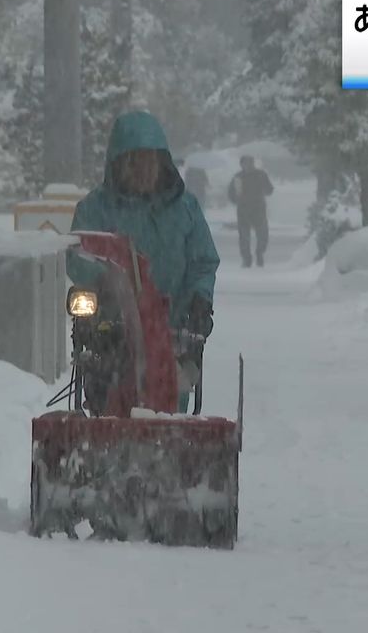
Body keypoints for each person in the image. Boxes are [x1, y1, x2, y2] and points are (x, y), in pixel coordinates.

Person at [67, 110, 220, 413]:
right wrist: (103, 281)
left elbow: (203, 262)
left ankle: (168, 442)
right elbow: (77, 256)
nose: (142, 170)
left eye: (149, 161)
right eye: (133, 162)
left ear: (162, 162)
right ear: (117, 165)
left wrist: (200, 300)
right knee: (107, 392)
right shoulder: (95, 210)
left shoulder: (184, 209)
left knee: (168, 397)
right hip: (110, 330)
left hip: (172, 328)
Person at [227, 155, 274, 267]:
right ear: (241, 164)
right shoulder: (237, 177)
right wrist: (235, 199)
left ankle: (259, 253)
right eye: (246, 163)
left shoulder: (261, 175)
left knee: (262, 234)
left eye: (251, 162)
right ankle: (247, 258)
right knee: (244, 235)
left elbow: (269, 190)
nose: (249, 165)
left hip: (258, 209)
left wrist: (265, 190)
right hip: (243, 209)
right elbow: (231, 192)